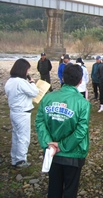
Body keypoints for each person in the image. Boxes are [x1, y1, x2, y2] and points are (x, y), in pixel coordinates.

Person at [35, 63, 90, 198]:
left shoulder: (48, 98)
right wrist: (62, 145)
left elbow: (40, 121)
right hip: (73, 154)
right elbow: (81, 130)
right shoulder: (82, 102)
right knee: (70, 189)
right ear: (80, 81)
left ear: (63, 79)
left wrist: (49, 142)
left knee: (54, 186)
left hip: (52, 152)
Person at [5, 58, 39, 168]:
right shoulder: (21, 82)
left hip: (14, 112)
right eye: (27, 70)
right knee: (23, 137)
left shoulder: (10, 81)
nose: (27, 73)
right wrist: (32, 82)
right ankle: (21, 160)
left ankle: (14, 158)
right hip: (22, 113)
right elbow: (34, 92)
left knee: (16, 136)